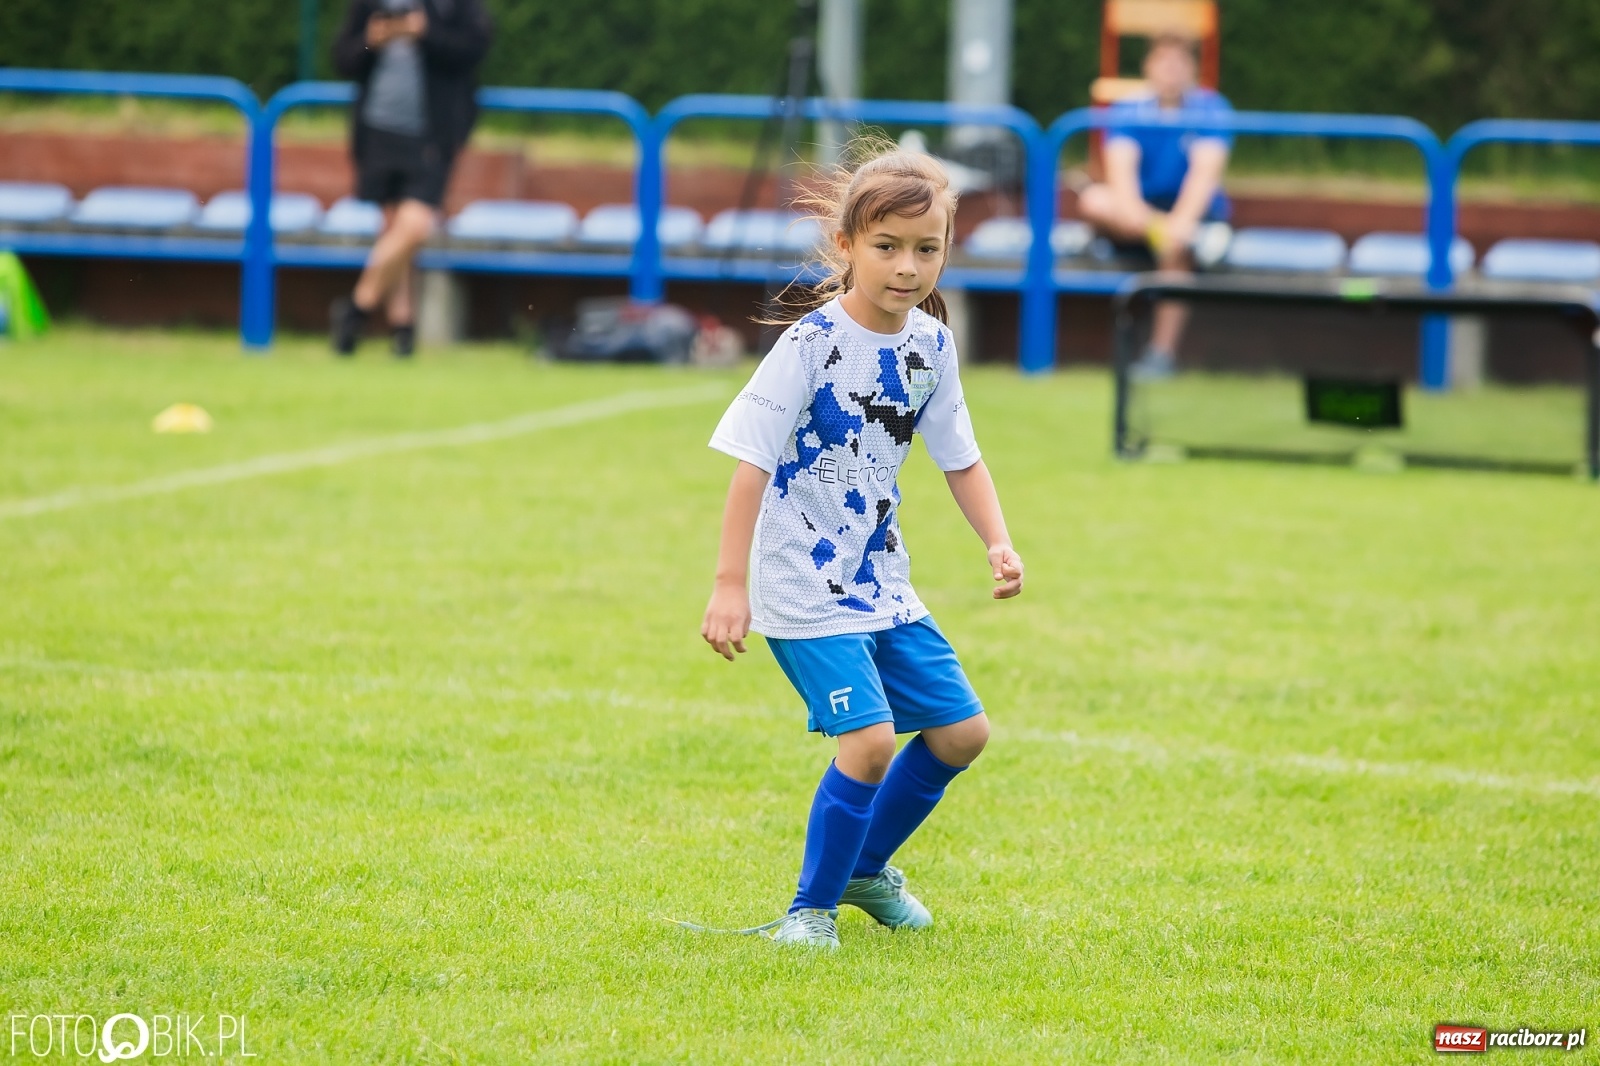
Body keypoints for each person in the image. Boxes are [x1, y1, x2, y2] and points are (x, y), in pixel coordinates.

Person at [696, 144, 1025, 949]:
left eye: (927, 248)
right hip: (799, 581)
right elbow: (751, 464)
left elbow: (962, 457)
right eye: (887, 247)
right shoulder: (810, 344)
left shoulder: (931, 348)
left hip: (879, 578)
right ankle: (809, 913)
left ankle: (863, 871)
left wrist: (999, 541)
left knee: (961, 732)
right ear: (846, 246)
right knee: (871, 741)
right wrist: (729, 584)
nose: (908, 267)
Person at [329, 0, 492, 357]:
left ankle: (357, 307)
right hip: (377, 132)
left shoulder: (454, 7)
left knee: (415, 227)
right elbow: (344, 58)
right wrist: (373, 39)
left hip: (432, 134)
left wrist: (425, 33)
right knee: (392, 233)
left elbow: (474, 49)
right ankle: (403, 329)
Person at [1077, 33, 1234, 378]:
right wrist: (1162, 227)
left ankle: (1160, 356)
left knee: (1175, 248)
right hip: (1139, 221)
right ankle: (1190, 240)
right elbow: (1122, 184)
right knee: (1093, 200)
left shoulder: (1212, 108)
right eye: (1163, 61)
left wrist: (1178, 227)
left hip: (1188, 219)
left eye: (1179, 62)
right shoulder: (1127, 110)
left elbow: (1202, 179)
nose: (1171, 70)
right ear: (1148, 66)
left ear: (1192, 67)